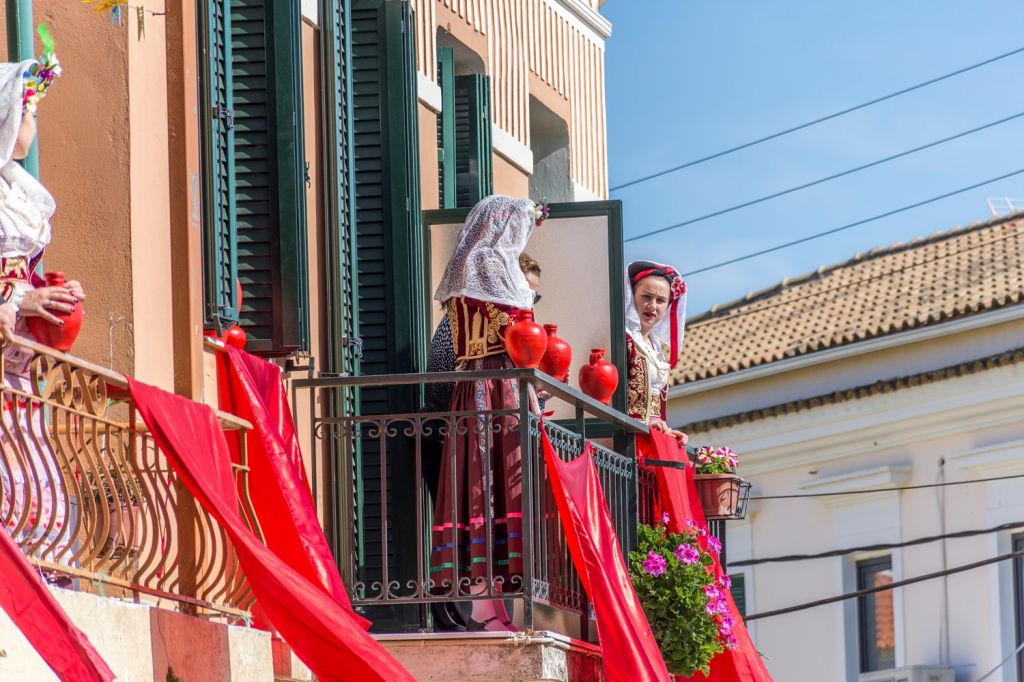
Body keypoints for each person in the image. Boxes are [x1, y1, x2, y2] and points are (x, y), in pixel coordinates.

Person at [429, 195, 542, 632]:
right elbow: (517, 333)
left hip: (486, 386)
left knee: (489, 483)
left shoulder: (475, 268)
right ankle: (485, 608)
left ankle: (492, 607)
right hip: (494, 385)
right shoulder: (492, 267)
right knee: (486, 483)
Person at [0, 42, 86, 570]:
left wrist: (55, 297)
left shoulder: (17, 193)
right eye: (28, 109)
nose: (32, 120)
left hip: (17, 374)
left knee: (37, 490)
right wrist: (21, 300)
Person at [625, 260, 687, 445]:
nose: (652, 305)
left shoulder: (655, 348)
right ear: (632, 295)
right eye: (646, 297)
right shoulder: (625, 340)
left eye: (660, 300)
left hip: (651, 439)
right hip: (628, 441)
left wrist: (667, 430)